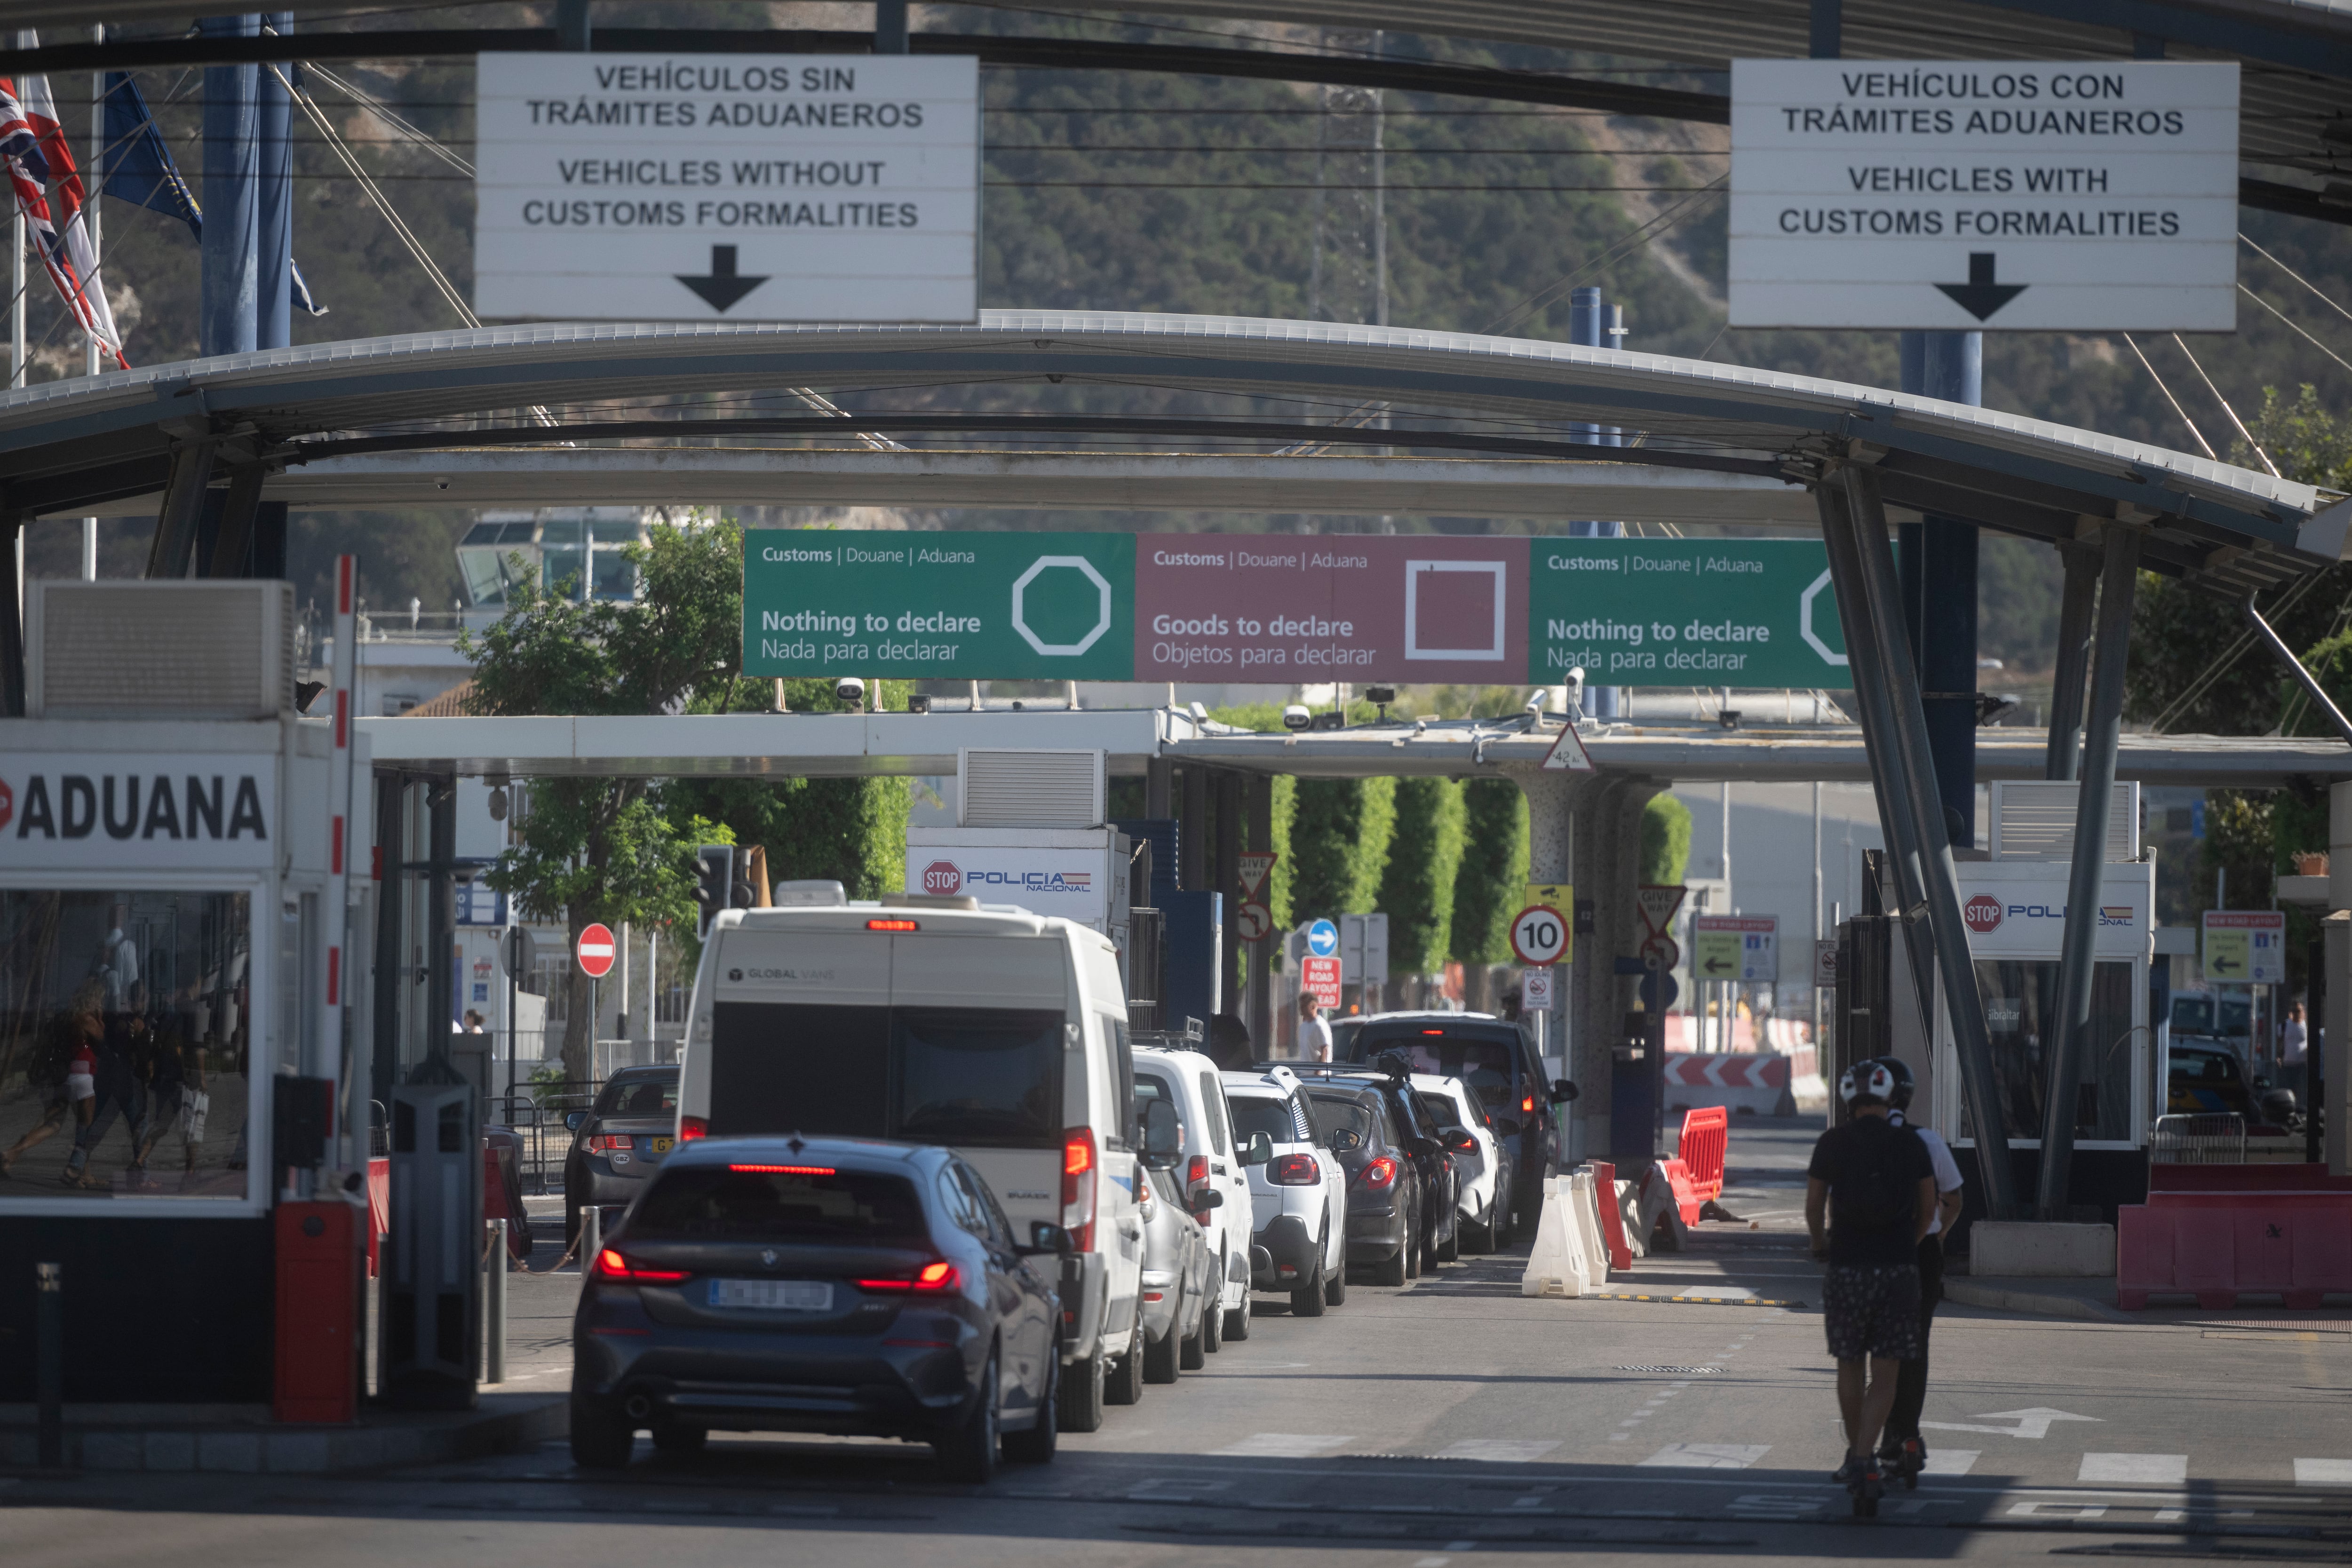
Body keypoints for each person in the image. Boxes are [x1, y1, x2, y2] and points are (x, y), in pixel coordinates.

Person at [1805, 1059, 1937, 1501]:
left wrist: (1820, 1244)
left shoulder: (1831, 1142)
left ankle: (1856, 1456)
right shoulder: (1912, 1144)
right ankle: (1867, 1455)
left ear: (1847, 1098)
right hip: (1899, 1270)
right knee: (1886, 1371)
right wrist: (1909, 1243)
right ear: (1890, 1098)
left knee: (1849, 1364)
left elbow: (1813, 1204)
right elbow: (1929, 1208)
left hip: (1847, 1268)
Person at [1876, 1057, 1966, 1481]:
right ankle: (1908, 1434)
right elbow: (1956, 1198)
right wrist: (1938, 1235)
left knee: (1882, 1350)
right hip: (1923, 1253)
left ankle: (1886, 1438)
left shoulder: (1856, 1141)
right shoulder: (1928, 1140)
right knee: (1917, 1347)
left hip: (1875, 1252)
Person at [1294, 991, 1332, 1063]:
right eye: (1301, 1005)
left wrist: (1318, 1071)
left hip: (1318, 1073)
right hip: (1305, 1072)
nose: (1301, 1008)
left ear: (1314, 1006)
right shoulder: (1303, 1026)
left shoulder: (1320, 1025)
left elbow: (1325, 1050)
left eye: (1304, 1006)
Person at [2282, 1002, 2309, 1100]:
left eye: (2298, 1011)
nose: (2296, 1013)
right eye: (2294, 1011)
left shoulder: (2306, 1025)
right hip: (2288, 1065)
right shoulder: (2285, 1025)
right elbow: (2279, 1042)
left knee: (2302, 1090)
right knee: (2289, 1091)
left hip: (2302, 1065)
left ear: (2303, 1012)